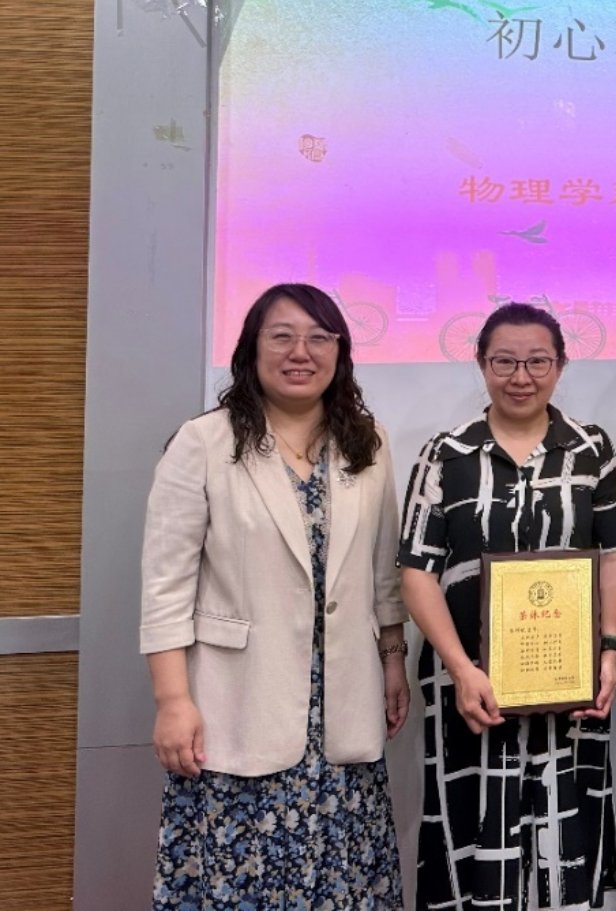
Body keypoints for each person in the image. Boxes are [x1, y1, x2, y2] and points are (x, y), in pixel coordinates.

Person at [140, 283, 408, 909]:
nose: (300, 352)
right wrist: (172, 701)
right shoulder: (204, 442)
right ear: (251, 349)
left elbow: (383, 573)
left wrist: (394, 661)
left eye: (319, 338)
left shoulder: (367, 442)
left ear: (340, 351)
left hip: (341, 707)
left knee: (342, 882)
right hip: (238, 705)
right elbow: (164, 586)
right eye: (281, 336)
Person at [400, 302, 616, 910]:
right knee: (473, 832)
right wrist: (461, 669)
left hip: (570, 682)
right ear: (481, 364)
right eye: (504, 362)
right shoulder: (445, 454)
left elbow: (613, 557)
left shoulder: (591, 449)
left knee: (566, 833)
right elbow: (416, 571)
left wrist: (609, 649)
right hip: (470, 685)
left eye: (537, 362)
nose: (521, 377)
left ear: (561, 365)